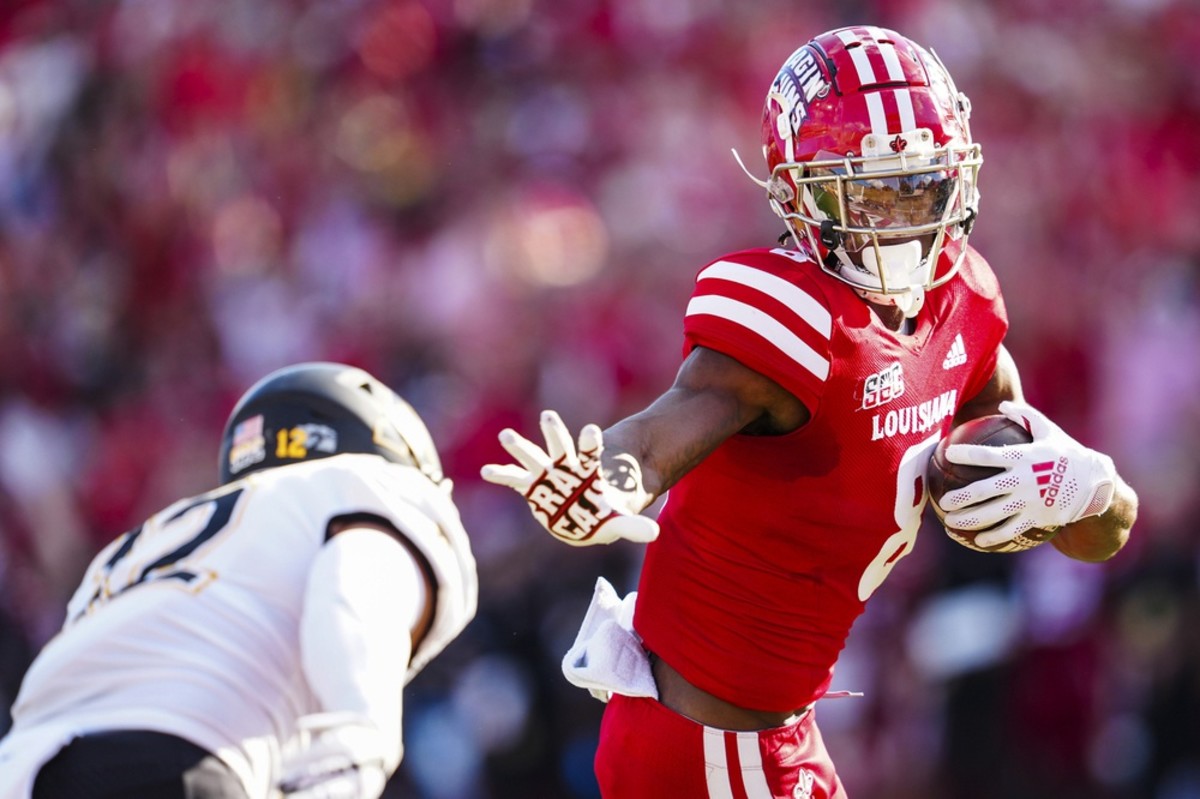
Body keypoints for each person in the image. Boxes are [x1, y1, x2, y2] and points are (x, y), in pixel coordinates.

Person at [481, 24, 1139, 799]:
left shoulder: (966, 303)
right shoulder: (793, 315)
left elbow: (1099, 530)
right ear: (801, 191)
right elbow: (664, 430)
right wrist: (610, 479)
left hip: (778, 734)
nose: (899, 217)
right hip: (713, 745)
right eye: (870, 190)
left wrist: (1088, 485)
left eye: (919, 184)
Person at [0, 362, 478, 799]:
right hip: (177, 754)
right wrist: (362, 729)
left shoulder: (134, 548)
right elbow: (355, 573)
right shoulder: (368, 488)